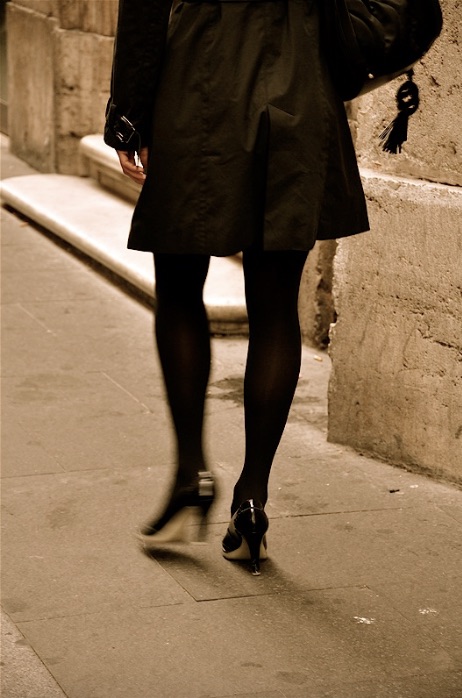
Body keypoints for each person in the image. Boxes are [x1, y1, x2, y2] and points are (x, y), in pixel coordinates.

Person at [104, 0, 369, 575]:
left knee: (180, 290)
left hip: (198, 83)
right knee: (275, 308)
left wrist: (128, 113)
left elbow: (144, 12)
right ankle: (252, 498)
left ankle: (190, 474)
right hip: (300, 83)